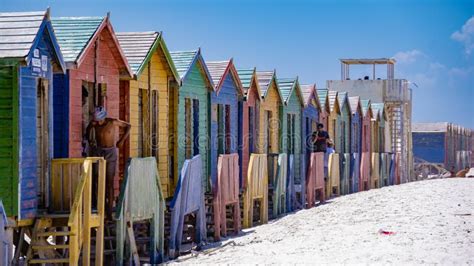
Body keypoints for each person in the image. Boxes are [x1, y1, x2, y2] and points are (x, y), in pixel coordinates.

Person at [86, 107, 131, 219]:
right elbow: (87, 133)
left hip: (110, 152)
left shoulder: (112, 122)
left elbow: (128, 126)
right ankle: (98, 207)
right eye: (97, 120)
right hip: (98, 151)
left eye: (100, 120)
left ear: (104, 117)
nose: (99, 122)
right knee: (96, 178)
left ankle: (110, 212)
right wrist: (89, 134)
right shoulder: (94, 124)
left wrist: (121, 140)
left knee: (109, 181)